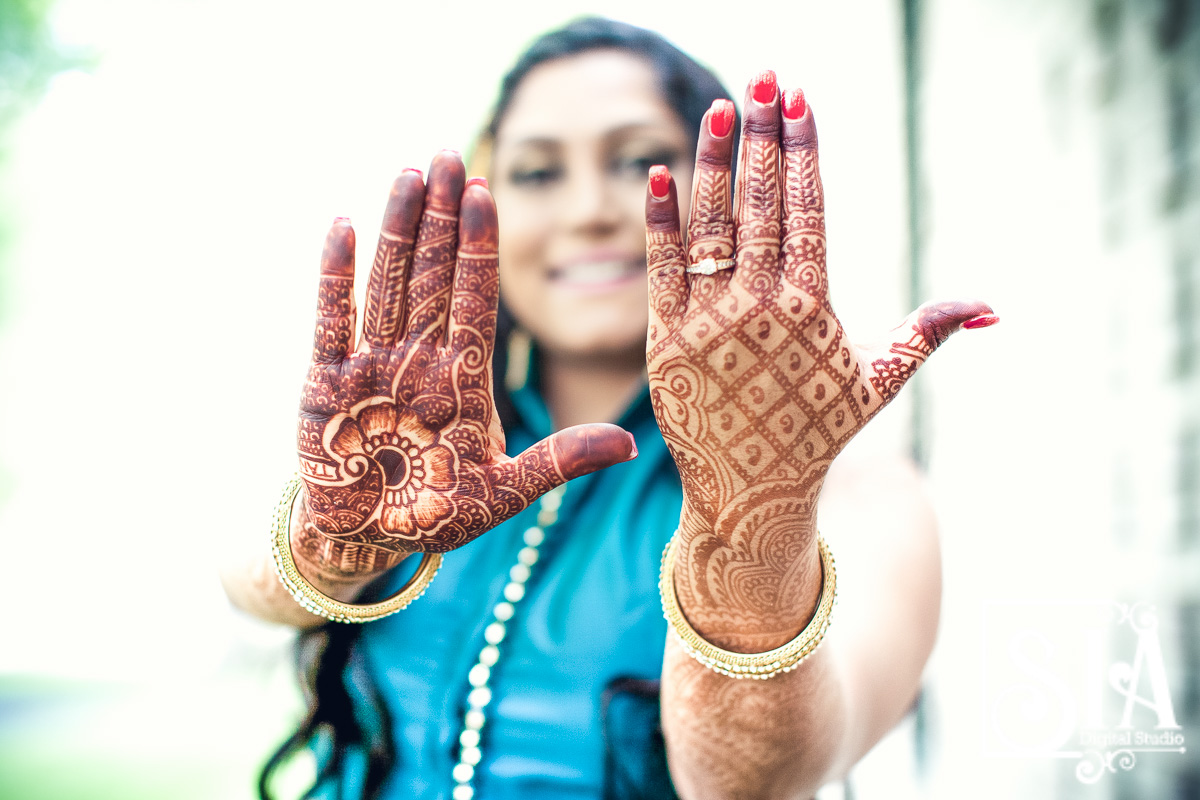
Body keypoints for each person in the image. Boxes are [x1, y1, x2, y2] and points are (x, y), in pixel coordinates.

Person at [222, 16, 997, 800]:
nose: (590, 210)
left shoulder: (857, 488)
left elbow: (755, 783)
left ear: (725, 189)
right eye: (536, 173)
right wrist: (333, 547)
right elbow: (243, 585)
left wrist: (750, 518)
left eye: (640, 162)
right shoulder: (410, 445)